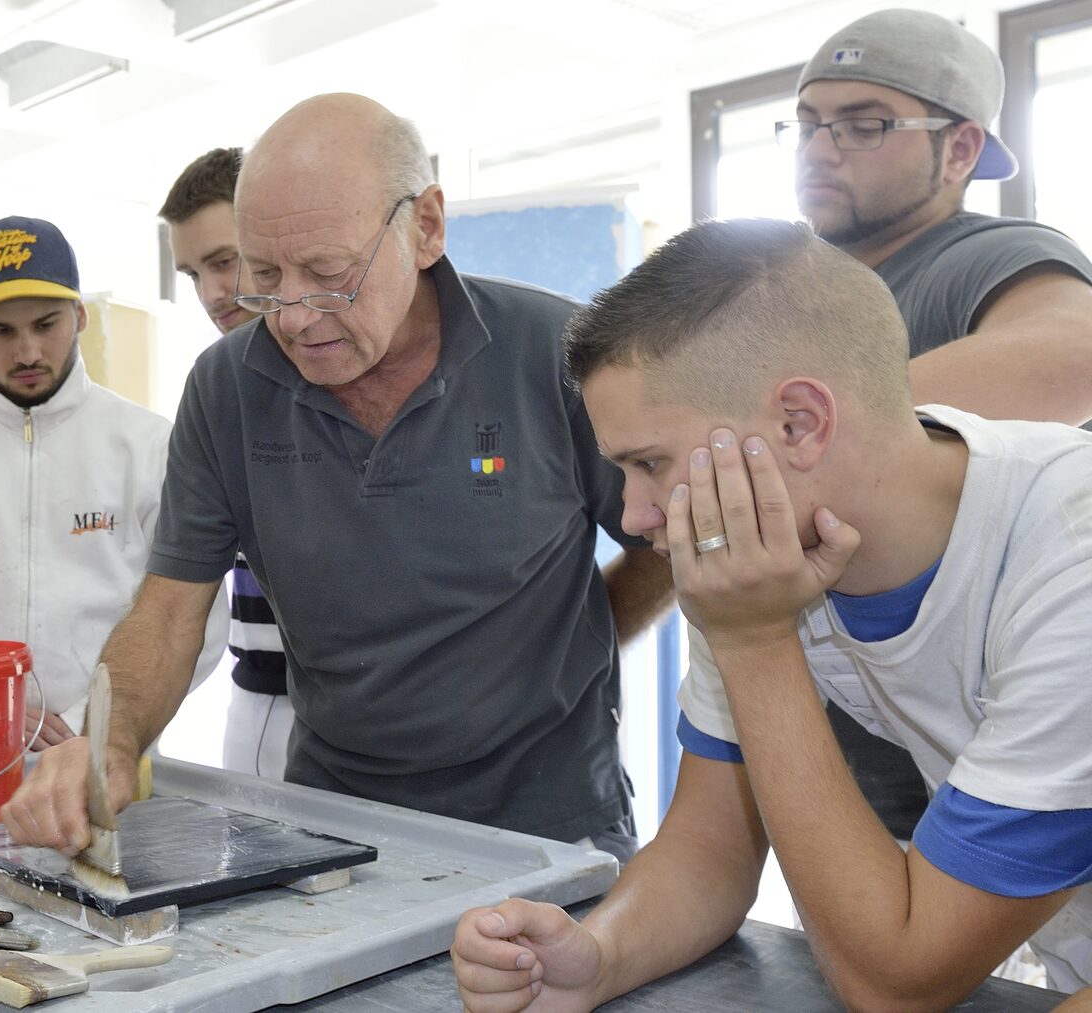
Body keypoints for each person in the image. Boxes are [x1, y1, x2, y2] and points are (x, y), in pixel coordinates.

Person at [1, 94, 674, 859]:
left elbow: (676, 541)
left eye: (326, 275)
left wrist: (583, 635)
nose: (289, 316)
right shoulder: (227, 390)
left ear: (425, 227)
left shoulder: (557, 354)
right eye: (263, 275)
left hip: (551, 820)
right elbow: (168, 610)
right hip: (337, 825)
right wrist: (107, 744)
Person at [452, 218, 1092, 1010]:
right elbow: (709, 848)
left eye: (649, 463)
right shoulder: (754, 557)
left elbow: (896, 982)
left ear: (799, 423)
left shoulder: (1071, 554)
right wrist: (599, 953)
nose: (638, 515)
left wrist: (755, 642)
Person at [786, 7, 1092, 840]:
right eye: (809, 123)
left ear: (959, 150)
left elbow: (1074, 354)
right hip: (856, 744)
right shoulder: (810, 293)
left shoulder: (983, 255)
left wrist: (797, 438)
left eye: (864, 125)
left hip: (994, 755)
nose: (819, 149)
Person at [0, 216, 227, 742]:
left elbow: (195, 622)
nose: (27, 353)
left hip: (111, 752)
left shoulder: (152, 446)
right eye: (1, 331)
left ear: (80, 316)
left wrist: (96, 724)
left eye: (46, 325)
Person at [159, 146, 292, 780]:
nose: (212, 294)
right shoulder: (217, 393)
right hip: (256, 707)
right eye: (192, 274)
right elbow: (172, 608)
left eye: (223, 262)